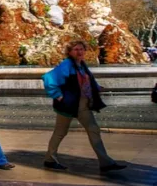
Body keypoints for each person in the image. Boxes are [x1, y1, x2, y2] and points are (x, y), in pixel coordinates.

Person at [42, 40, 127, 173]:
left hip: (83, 104)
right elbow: (48, 78)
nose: (79, 52)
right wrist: (58, 96)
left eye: (81, 49)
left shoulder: (81, 65)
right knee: (60, 132)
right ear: (70, 52)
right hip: (69, 105)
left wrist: (96, 87)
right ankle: (50, 160)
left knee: (93, 129)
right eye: (76, 49)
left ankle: (106, 162)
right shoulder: (67, 64)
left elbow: (86, 80)